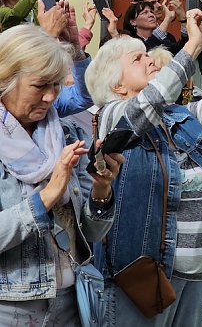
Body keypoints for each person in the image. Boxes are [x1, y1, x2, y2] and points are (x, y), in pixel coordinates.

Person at [85, 0, 202, 326]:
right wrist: (193, 46)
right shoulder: (111, 116)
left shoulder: (182, 116)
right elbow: (149, 102)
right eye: (137, 59)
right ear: (116, 85)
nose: (150, 59)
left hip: (196, 271)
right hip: (144, 274)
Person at [0, 25, 120, 325]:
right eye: (40, 85)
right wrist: (47, 196)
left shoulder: (66, 134)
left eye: (56, 85)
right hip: (11, 308)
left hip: (71, 301)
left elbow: (89, 235)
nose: (51, 97)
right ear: (5, 80)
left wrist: (101, 191)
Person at [122, 0, 187, 54]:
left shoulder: (167, 37)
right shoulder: (129, 41)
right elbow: (148, 48)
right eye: (152, 3)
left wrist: (183, 19)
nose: (159, 5)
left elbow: (183, 52)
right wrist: (167, 19)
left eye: (151, 12)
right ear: (133, 21)